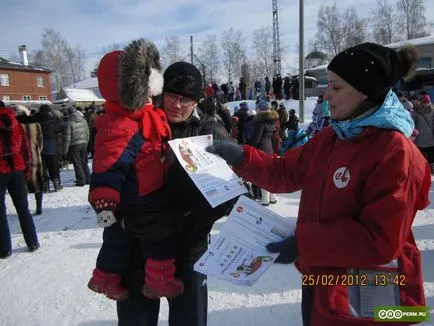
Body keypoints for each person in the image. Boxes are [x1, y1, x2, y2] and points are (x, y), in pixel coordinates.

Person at [206, 42, 431, 326]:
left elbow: (381, 240)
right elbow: (284, 171)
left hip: (374, 294)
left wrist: (304, 243)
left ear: (365, 93)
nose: (326, 94)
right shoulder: (332, 137)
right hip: (323, 280)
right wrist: (241, 157)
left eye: (336, 88)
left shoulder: (395, 152)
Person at [116, 61, 234, 326]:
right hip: (139, 246)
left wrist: (189, 219)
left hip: (188, 250)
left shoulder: (210, 133)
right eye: (171, 96)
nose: (176, 105)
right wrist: (124, 219)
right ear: (160, 93)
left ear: (197, 101)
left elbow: (231, 194)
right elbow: (108, 177)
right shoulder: (137, 126)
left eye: (185, 99)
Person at [87, 39, 180, 301]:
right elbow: (109, 163)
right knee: (159, 237)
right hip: (141, 195)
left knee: (117, 239)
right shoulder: (124, 125)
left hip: (136, 191)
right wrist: (104, 199)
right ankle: (160, 282)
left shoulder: (142, 116)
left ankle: (104, 278)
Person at [0, 101, 40, 258]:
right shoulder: (16, 125)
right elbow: (26, 150)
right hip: (17, 169)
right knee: (23, 209)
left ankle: (4, 249)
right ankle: (33, 242)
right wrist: (27, 170)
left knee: (0, 213)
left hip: (1, 170)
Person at [14, 105, 44, 215]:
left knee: (21, 185)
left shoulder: (16, 126)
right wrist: (37, 152)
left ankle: (24, 209)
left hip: (20, 159)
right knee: (37, 182)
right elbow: (40, 143)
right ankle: (39, 207)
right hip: (35, 157)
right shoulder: (36, 125)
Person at [63, 106, 91, 186]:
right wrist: (86, 142)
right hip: (84, 143)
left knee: (77, 163)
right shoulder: (83, 120)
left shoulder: (69, 123)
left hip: (74, 145)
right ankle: (88, 178)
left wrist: (65, 151)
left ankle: (81, 180)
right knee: (84, 162)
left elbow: (67, 138)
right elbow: (87, 132)